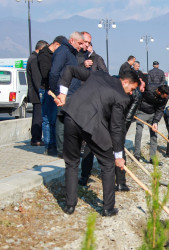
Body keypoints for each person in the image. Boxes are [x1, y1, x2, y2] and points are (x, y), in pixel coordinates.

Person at [56, 69, 139, 216]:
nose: (131, 93)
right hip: (91, 126)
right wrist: (118, 155)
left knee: (71, 162)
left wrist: (63, 92)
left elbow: (69, 69)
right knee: (108, 163)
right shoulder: (122, 98)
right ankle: (108, 208)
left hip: (71, 116)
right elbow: (116, 128)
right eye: (132, 88)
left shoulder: (98, 74)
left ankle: (69, 206)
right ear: (125, 82)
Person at [78, 70, 147, 190]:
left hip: (113, 122)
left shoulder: (133, 93)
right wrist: (119, 135)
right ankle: (86, 177)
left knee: (114, 148)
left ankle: (120, 182)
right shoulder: (129, 91)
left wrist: (119, 135)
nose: (137, 87)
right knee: (91, 146)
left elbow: (128, 117)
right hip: (102, 120)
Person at [49, 32, 84, 158]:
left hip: (72, 92)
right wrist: (56, 91)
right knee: (61, 121)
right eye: (79, 43)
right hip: (64, 93)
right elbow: (54, 72)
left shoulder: (72, 54)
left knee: (71, 122)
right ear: (71, 41)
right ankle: (61, 150)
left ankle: (70, 149)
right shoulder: (62, 52)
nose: (81, 46)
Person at [37, 36, 65, 155]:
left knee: (53, 118)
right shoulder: (44, 55)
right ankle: (49, 145)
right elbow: (46, 73)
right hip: (48, 90)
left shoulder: (53, 55)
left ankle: (53, 144)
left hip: (53, 89)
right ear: (56, 44)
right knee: (48, 119)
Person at [133, 84, 169, 164]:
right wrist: (135, 112)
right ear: (159, 92)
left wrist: (156, 122)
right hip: (141, 112)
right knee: (139, 132)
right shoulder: (148, 89)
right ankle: (136, 155)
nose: (165, 98)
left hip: (153, 115)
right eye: (163, 96)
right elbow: (137, 98)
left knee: (154, 135)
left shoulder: (165, 98)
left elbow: (160, 109)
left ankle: (152, 158)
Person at [27, 40, 48, 146]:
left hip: (36, 92)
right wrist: (41, 90)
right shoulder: (34, 59)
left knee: (38, 115)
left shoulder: (32, 58)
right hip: (37, 93)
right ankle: (36, 139)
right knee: (38, 116)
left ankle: (36, 138)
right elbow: (36, 78)